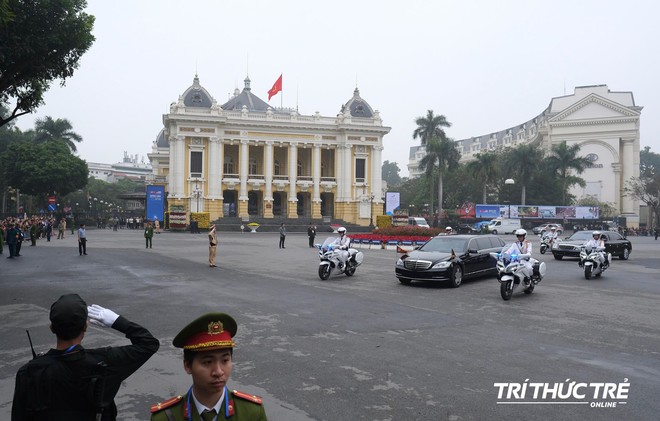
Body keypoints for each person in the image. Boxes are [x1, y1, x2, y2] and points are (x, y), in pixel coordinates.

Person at [11, 293, 159, 420]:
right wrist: (117, 321)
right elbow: (148, 344)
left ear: (52, 328)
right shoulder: (104, 362)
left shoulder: (29, 372)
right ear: (85, 326)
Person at [150, 312, 267, 421]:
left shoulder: (252, 413)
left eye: (225, 360)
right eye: (207, 362)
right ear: (187, 365)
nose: (218, 371)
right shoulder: (166, 417)